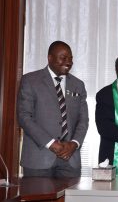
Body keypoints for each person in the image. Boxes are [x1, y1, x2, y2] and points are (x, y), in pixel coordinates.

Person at [17, 41, 89, 177]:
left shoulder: (78, 85)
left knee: (69, 198)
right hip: (38, 159)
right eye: (63, 58)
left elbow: (83, 120)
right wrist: (51, 143)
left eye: (71, 58)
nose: (68, 62)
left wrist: (74, 144)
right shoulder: (30, 80)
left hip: (70, 160)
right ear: (50, 58)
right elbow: (24, 117)